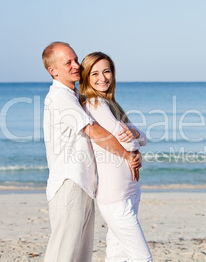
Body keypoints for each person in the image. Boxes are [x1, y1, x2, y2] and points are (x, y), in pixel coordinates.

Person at [42, 42, 141, 262]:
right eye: (68, 62)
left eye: (76, 59)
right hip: (69, 182)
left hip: (85, 183)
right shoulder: (61, 97)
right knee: (63, 253)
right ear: (53, 70)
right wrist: (127, 155)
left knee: (80, 254)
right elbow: (94, 131)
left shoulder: (75, 95)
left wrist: (133, 145)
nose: (76, 66)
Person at [80, 52, 153, 261]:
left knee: (117, 256)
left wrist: (134, 141)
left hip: (130, 192)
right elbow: (129, 141)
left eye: (106, 71)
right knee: (142, 257)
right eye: (94, 73)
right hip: (116, 197)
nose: (102, 78)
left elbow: (142, 138)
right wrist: (134, 146)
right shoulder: (95, 104)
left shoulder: (111, 104)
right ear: (86, 77)